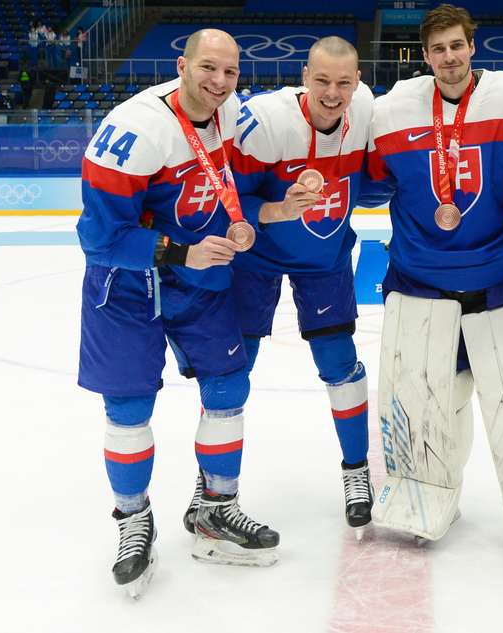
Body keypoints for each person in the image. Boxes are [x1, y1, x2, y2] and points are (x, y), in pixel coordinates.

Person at [76, 29, 279, 599]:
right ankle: (133, 520)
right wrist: (174, 250)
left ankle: (216, 507)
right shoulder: (136, 130)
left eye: (230, 72)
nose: (219, 82)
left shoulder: (230, 112)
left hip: (198, 277)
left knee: (228, 385)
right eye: (208, 69)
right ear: (182, 65)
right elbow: (97, 237)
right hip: (127, 285)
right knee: (130, 405)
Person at [367, 4, 503, 555]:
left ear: (472, 46)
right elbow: (366, 176)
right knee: (424, 401)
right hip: (420, 284)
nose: (448, 57)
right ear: (425, 55)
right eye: (437, 49)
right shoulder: (395, 108)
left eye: (457, 45)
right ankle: (421, 496)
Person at [181, 36, 384, 540]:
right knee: (232, 373)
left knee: (340, 364)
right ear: (304, 76)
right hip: (258, 262)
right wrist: (274, 211)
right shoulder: (267, 123)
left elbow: (377, 181)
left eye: (343, 82)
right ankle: (209, 486)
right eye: (321, 81)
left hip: (325, 259)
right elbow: (231, 195)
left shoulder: (367, 111)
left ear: (357, 82)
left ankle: (356, 473)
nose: (332, 93)